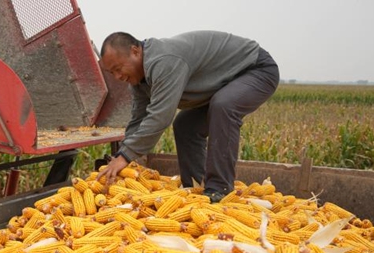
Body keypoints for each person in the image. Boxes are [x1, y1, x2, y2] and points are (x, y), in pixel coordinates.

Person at [97, 30, 279, 202]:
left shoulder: (164, 62)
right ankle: (196, 186)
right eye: (112, 73)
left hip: (256, 69)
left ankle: (219, 190)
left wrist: (125, 157)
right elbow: (139, 119)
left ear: (135, 51)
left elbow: (160, 117)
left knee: (224, 106)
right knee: (185, 125)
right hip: (222, 83)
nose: (118, 76)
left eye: (118, 68)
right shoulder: (139, 80)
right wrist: (121, 156)